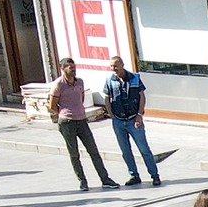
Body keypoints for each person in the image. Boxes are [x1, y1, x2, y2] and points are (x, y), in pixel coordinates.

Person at [48, 58, 119, 190]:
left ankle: (105, 179)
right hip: (67, 123)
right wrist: (64, 113)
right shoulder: (58, 84)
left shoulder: (80, 82)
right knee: (74, 153)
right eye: (69, 67)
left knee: (93, 151)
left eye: (74, 66)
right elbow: (52, 105)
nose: (73, 69)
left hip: (82, 120)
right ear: (63, 69)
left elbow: (80, 98)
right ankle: (82, 181)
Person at [103, 56, 161, 187]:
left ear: (122, 65)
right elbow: (107, 98)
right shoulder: (109, 80)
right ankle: (134, 175)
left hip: (133, 119)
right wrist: (112, 115)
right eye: (112, 66)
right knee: (125, 151)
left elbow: (142, 96)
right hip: (118, 120)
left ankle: (154, 175)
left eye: (116, 65)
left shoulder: (134, 78)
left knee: (144, 149)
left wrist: (139, 114)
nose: (114, 68)